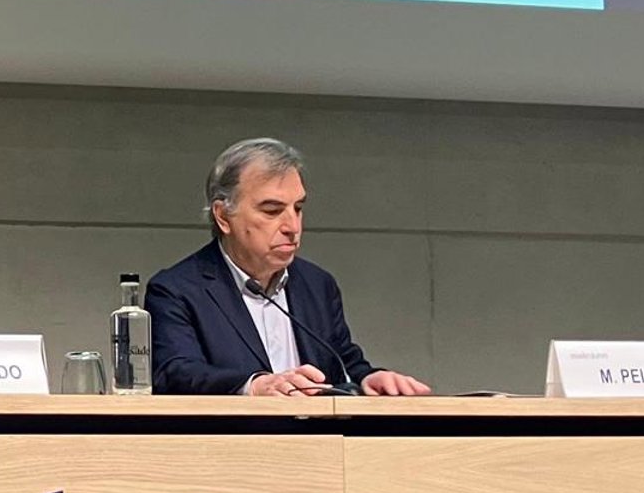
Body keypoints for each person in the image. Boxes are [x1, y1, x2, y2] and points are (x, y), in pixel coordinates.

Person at [145, 137, 431, 397]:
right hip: (233, 436)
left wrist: (369, 378)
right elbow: (176, 373)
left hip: (319, 436)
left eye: (298, 209)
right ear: (223, 216)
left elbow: (344, 361)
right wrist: (254, 386)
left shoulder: (317, 285)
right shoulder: (177, 290)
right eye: (272, 211)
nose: (292, 226)